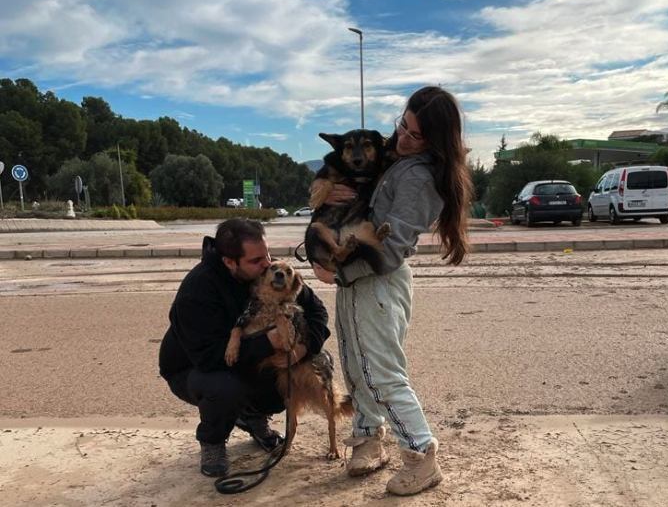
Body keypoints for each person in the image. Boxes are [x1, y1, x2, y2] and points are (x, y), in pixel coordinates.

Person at [312, 86, 472, 496]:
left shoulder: (418, 177)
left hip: (377, 280)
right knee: (353, 362)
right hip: (355, 278)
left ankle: (422, 456)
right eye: (403, 124)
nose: (402, 137)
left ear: (435, 141)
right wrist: (332, 192)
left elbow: (394, 246)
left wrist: (337, 269)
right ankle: (369, 437)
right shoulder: (396, 160)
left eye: (416, 135)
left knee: (381, 374)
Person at [159, 218, 330, 477]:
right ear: (230, 262)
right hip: (193, 368)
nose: (267, 265)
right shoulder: (198, 290)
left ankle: (252, 416)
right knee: (225, 387)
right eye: (256, 261)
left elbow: (317, 313)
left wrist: (303, 350)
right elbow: (208, 357)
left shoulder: (271, 275)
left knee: (298, 372)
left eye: (267, 255)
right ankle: (213, 441)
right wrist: (267, 343)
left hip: (246, 358)